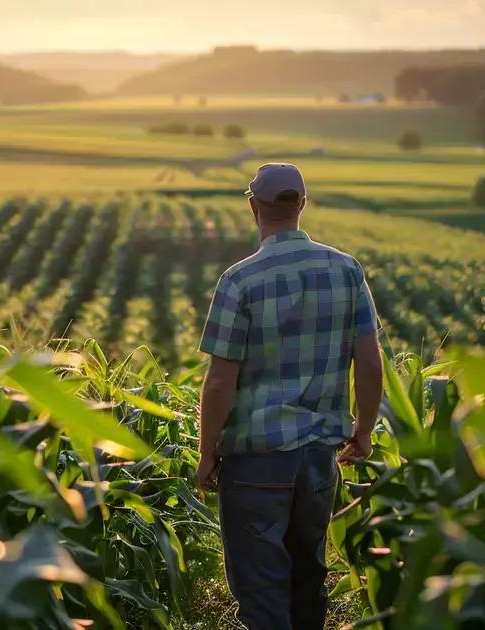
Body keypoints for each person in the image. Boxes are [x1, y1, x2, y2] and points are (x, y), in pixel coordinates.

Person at [195, 163, 383, 629]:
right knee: (307, 578)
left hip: (255, 458)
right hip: (319, 457)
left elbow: (220, 381)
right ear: (302, 203)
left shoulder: (239, 280)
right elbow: (370, 358)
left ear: (252, 206)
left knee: (262, 590)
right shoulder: (346, 270)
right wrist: (363, 430)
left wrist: (205, 452)